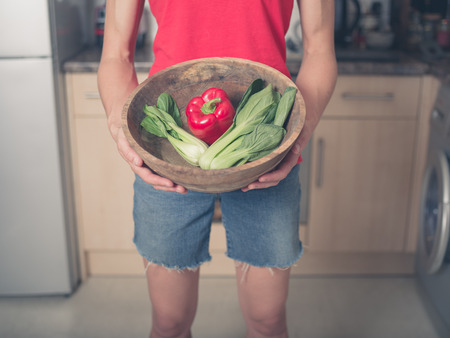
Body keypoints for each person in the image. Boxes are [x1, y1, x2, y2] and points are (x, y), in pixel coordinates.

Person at [98, 1, 337, 337]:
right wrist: (119, 126)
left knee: (267, 321)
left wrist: (301, 130)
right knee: (170, 322)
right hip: (168, 145)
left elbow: (320, 48)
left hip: (266, 140)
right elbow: (115, 56)